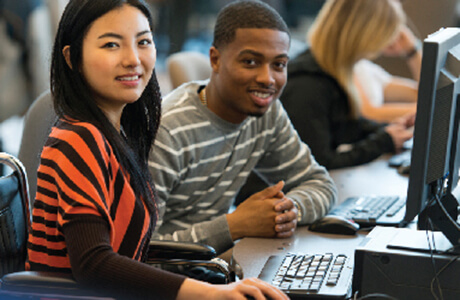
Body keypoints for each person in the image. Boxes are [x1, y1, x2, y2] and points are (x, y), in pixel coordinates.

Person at [26, 1, 289, 299]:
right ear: (72, 57)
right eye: (112, 45)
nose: (133, 59)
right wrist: (209, 293)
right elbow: (93, 264)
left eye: (143, 42)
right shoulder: (78, 139)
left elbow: (130, 247)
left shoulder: (119, 133)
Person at [149, 0, 337, 255]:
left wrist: (289, 210)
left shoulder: (266, 113)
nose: (267, 79)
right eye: (250, 62)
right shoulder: (167, 131)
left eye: (279, 64)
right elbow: (141, 250)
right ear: (215, 59)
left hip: (218, 261)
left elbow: (320, 183)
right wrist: (234, 225)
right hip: (174, 280)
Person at [280, 0, 415, 170]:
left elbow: (346, 127)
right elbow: (319, 161)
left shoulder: (334, 69)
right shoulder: (309, 84)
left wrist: (388, 130)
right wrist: (382, 143)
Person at [355, 24, 422, 123]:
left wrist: (412, 51)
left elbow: (420, 94)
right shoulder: (343, 65)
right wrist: (428, 109)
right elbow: (369, 113)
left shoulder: (363, 66)